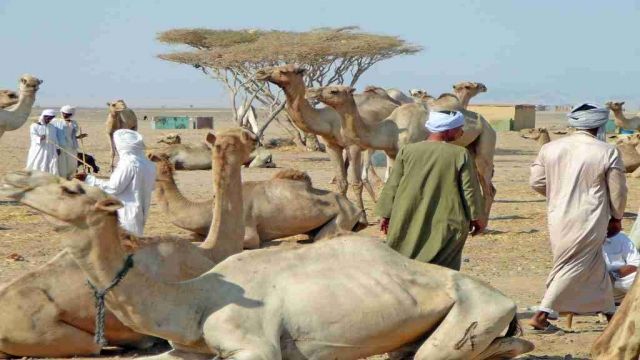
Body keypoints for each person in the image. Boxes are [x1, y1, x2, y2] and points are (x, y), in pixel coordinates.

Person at [529, 103, 628, 331]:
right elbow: (618, 191)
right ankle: (542, 313)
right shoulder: (607, 151)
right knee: (572, 263)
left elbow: (536, 182)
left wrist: (559, 193)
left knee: (593, 263)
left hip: (558, 215)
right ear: (599, 124)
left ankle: (610, 314)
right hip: (591, 215)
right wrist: (617, 216)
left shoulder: (550, 148)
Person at [376, 110, 485, 270]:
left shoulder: (407, 151)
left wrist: (385, 214)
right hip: (447, 225)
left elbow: (392, 185)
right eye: (459, 128)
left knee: (404, 269)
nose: (462, 132)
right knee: (442, 273)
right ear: (447, 130)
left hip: (406, 218)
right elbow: (469, 190)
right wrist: (477, 217)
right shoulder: (461, 154)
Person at [75, 129, 156, 236]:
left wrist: (88, 179)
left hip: (125, 213)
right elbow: (152, 186)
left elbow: (113, 188)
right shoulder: (148, 164)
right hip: (140, 212)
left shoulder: (128, 164)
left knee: (124, 246)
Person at [603, 230, 640, 303]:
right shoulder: (583, 242)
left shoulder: (620, 237)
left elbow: (636, 262)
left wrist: (614, 275)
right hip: (596, 290)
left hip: (620, 283)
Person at [52, 105, 87, 179]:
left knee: (72, 162)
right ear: (61, 112)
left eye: (68, 114)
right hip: (60, 146)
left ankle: (70, 177)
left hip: (71, 146)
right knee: (61, 163)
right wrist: (56, 147)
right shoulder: (55, 121)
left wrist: (79, 136)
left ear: (71, 115)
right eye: (64, 113)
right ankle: (61, 178)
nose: (65, 115)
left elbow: (72, 136)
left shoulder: (74, 123)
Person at [26, 109, 63, 174]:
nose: (49, 120)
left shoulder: (52, 127)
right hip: (39, 149)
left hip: (51, 149)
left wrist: (57, 148)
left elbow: (55, 138)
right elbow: (33, 137)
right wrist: (40, 138)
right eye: (48, 118)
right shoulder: (34, 126)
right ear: (43, 116)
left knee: (51, 164)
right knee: (38, 163)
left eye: (51, 118)